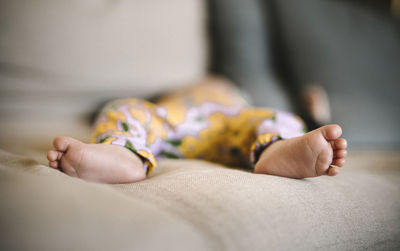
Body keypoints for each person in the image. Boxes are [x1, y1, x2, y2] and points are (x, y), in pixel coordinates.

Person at [47, 77, 347, 183]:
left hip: (236, 123)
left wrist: (314, 114)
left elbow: (297, 120)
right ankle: (122, 152)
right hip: (175, 120)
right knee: (123, 108)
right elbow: (126, 110)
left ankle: (278, 150)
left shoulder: (242, 102)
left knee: (278, 118)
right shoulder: (169, 98)